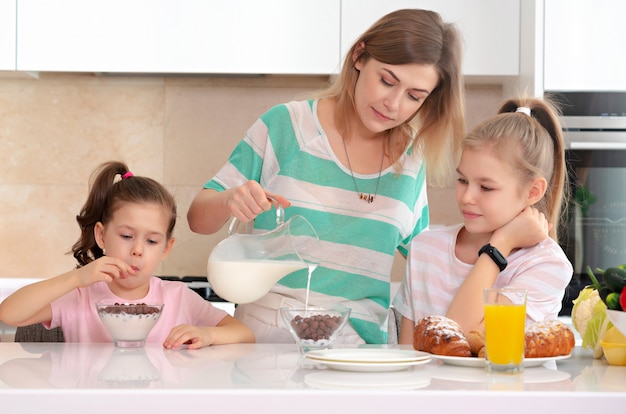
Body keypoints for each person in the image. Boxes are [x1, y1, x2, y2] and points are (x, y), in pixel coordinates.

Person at [186, 9, 466, 344]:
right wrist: (228, 199)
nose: (393, 103)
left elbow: (427, 264)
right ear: (360, 56)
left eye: (414, 96)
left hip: (358, 358)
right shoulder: (286, 126)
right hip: (262, 347)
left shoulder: (411, 165)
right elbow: (198, 219)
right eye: (387, 81)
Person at [0, 161, 255, 349]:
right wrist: (76, 279)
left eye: (152, 241)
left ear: (166, 248)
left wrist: (209, 335)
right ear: (101, 236)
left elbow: (244, 334)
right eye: (126, 236)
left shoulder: (178, 298)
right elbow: (8, 313)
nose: (137, 250)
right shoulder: (80, 296)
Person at [394, 96, 574, 343]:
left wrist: (498, 247)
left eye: (486, 188)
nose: (467, 197)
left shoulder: (546, 265)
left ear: (533, 192)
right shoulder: (425, 249)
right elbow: (407, 355)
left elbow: (463, 338)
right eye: (462, 180)